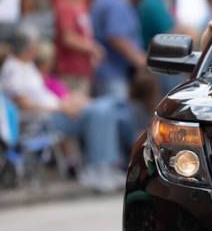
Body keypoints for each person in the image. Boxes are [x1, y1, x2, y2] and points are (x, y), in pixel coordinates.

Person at [1, 26, 127, 192]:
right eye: (35, 44)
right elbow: (24, 104)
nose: (37, 48)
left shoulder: (28, 65)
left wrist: (68, 101)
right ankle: (96, 169)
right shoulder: (12, 69)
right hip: (43, 119)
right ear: (29, 47)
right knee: (99, 111)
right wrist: (61, 107)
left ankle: (106, 167)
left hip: (56, 110)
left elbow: (43, 94)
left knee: (105, 109)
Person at [91, 0, 144, 99]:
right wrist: (139, 59)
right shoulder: (116, 3)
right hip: (112, 73)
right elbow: (116, 37)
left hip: (108, 71)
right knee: (115, 107)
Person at [55, 0, 104, 94]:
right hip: (70, 70)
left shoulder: (82, 6)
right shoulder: (65, 7)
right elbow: (67, 38)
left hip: (83, 70)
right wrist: (92, 48)